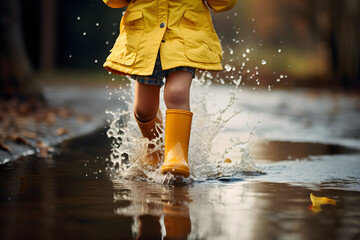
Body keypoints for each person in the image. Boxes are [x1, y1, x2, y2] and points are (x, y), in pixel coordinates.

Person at [102, 0, 238, 177]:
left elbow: (223, 3)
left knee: (177, 93)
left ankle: (176, 154)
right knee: (143, 109)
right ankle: (155, 152)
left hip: (185, 37)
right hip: (145, 39)